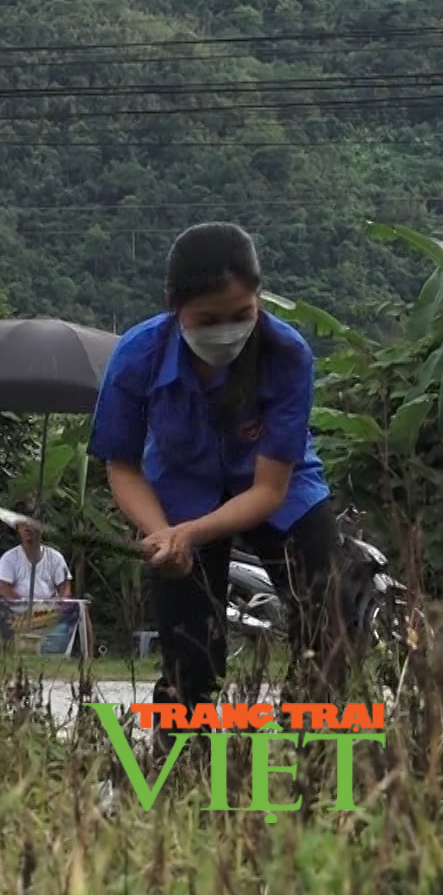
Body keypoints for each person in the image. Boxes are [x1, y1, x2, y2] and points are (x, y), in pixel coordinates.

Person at [88, 221, 352, 741]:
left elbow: (268, 490)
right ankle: (183, 766)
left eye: (242, 315)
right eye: (208, 319)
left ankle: (316, 761)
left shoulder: (288, 355)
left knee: (329, 626)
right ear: (173, 305)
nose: (227, 330)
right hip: (179, 496)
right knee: (189, 649)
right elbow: (122, 468)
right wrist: (162, 531)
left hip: (281, 494)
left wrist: (191, 534)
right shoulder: (137, 356)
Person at [0, 516, 73, 603]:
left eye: (32, 524)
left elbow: (65, 587)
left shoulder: (55, 557)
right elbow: (3, 587)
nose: (27, 528)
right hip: (17, 610)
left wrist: (61, 605)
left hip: (49, 610)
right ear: (18, 530)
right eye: (23, 525)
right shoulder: (9, 557)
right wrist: (23, 604)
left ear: (41, 528)